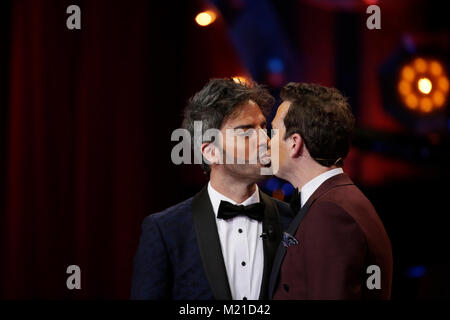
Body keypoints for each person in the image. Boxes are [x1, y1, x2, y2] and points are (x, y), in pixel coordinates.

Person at [131, 78, 293, 300]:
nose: (265, 141)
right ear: (210, 152)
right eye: (246, 131)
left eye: (263, 127)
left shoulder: (293, 220)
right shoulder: (166, 230)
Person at [268, 82, 393, 299]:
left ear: (294, 143)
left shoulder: (330, 213)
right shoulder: (337, 201)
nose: (268, 143)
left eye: (274, 131)